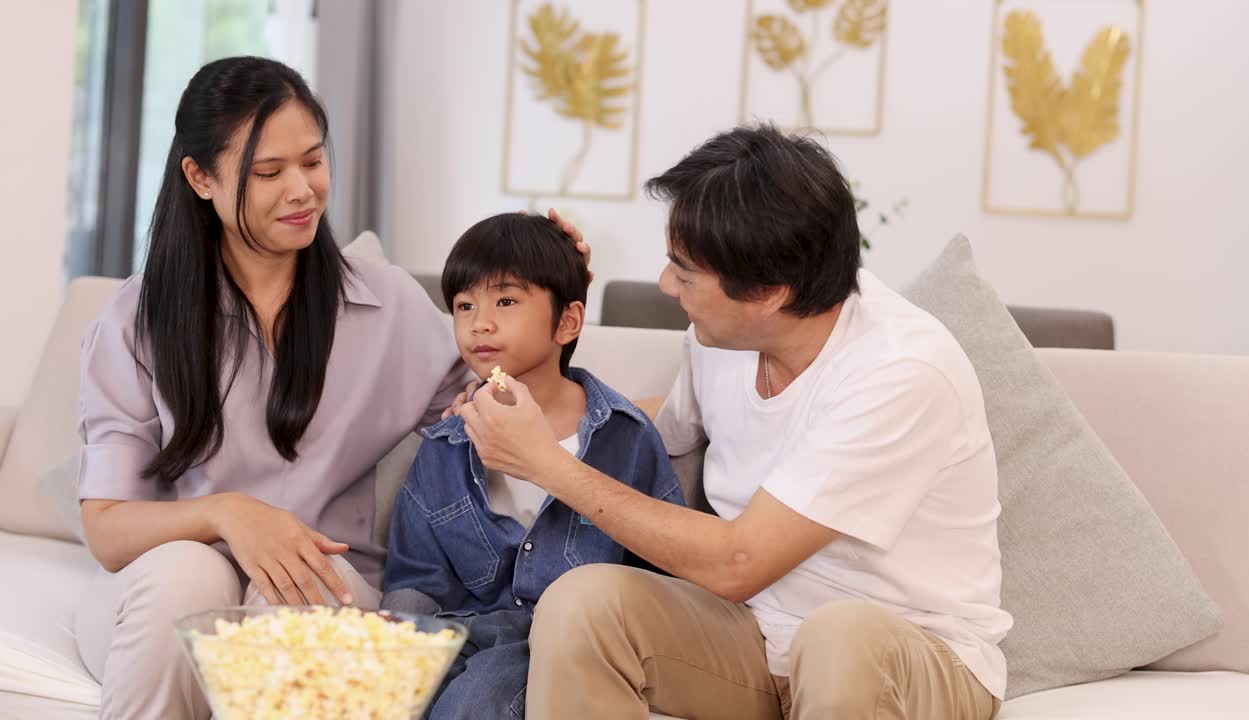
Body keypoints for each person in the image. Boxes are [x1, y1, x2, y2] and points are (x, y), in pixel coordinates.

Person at [71, 57, 584, 720]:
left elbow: (510, 403)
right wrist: (228, 513)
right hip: (160, 584)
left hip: (323, 580)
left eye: (312, 162)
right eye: (268, 172)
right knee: (187, 575)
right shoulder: (136, 319)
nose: (302, 190)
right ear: (200, 178)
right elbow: (108, 528)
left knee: (302, 593)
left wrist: (555, 289)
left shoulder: (388, 306)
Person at [457, 125, 1013, 720]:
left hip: (910, 652)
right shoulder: (720, 338)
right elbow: (658, 425)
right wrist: (536, 391)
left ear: (769, 292)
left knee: (838, 641)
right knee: (580, 604)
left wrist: (547, 464)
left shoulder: (901, 370)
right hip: (757, 634)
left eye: (684, 273)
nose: (666, 285)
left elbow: (738, 562)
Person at [382, 212, 685, 719]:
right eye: (464, 305)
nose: (480, 322)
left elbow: (663, 572)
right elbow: (416, 581)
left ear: (567, 322)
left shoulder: (624, 438)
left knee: (477, 701)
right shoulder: (444, 445)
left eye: (505, 301)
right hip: (461, 638)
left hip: (566, 646)